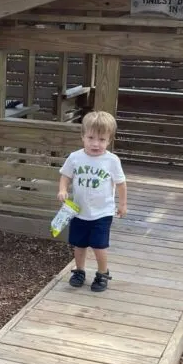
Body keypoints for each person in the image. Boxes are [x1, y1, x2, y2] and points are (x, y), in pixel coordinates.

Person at [57, 111, 128, 292]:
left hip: (102, 212)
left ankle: (102, 273)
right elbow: (65, 176)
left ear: (109, 140)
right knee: (79, 244)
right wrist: (63, 190)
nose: (95, 144)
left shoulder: (111, 161)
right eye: (91, 138)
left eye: (102, 139)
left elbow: (121, 184)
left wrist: (122, 204)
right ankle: (79, 271)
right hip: (79, 211)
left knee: (99, 245)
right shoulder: (75, 157)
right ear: (82, 136)